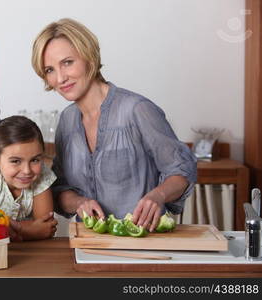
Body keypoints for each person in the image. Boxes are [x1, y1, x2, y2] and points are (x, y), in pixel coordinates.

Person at [31, 18, 197, 232]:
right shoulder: (67, 120)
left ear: (89, 57)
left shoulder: (137, 109)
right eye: (49, 70)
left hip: (145, 243)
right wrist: (79, 203)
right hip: (90, 245)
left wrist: (158, 196)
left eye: (67, 62)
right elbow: (59, 188)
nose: (61, 77)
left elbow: (182, 170)